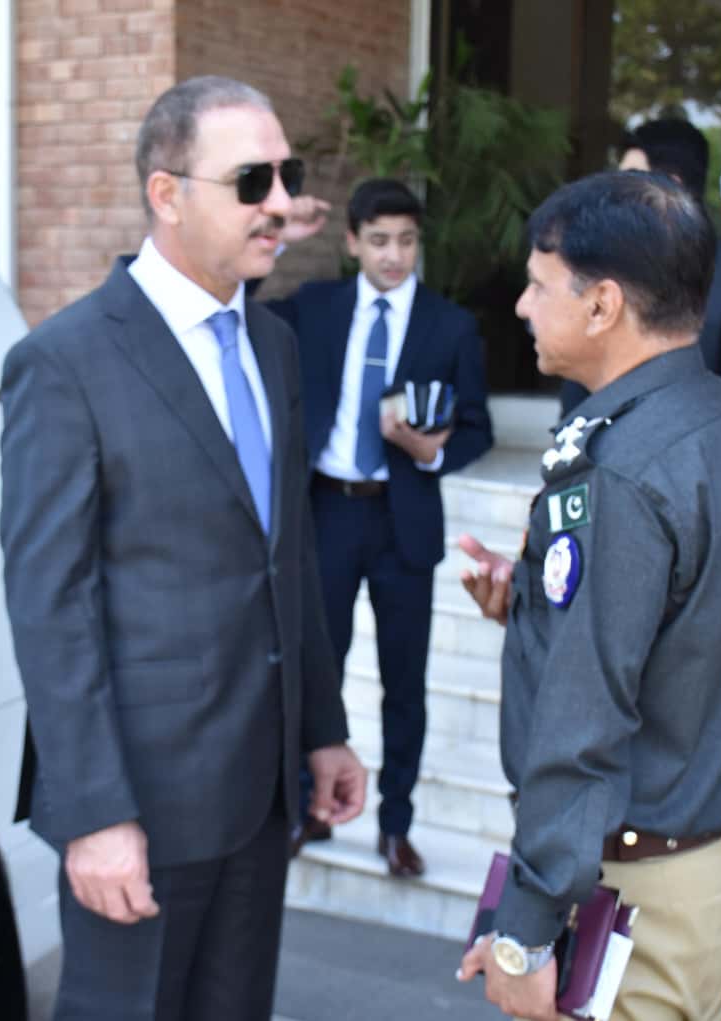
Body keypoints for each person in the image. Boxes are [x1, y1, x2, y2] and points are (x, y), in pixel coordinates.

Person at [0, 75, 366, 1021]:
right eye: (252, 181)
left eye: (287, 176)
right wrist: (95, 813)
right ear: (166, 194)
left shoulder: (274, 345)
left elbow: (287, 556)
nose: (280, 203)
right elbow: (52, 608)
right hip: (142, 805)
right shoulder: (65, 361)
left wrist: (322, 727)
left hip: (262, 795)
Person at [456, 171, 721, 1021]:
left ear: (602, 304)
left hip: (630, 892)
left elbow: (585, 716)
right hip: (712, 875)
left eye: (539, 285)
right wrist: (534, 607)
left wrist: (525, 931)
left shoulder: (621, 468)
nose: (523, 306)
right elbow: (686, 629)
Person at [268, 179, 493, 877]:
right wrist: (278, 235)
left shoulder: (449, 326)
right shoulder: (316, 308)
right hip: (326, 512)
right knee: (317, 670)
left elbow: (478, 427)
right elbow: (236, 306)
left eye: (406, 241)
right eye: (379, 241)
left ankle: (396, 825)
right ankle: (310, 806)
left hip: (403, 519)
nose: (394, 255)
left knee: (405, 681)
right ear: (352, 242)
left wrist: (432, 453)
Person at [561, 117, 721, 414]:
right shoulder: (602, 264)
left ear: (670, 186)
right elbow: (577, 387)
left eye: (629, 178)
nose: (615, 192)